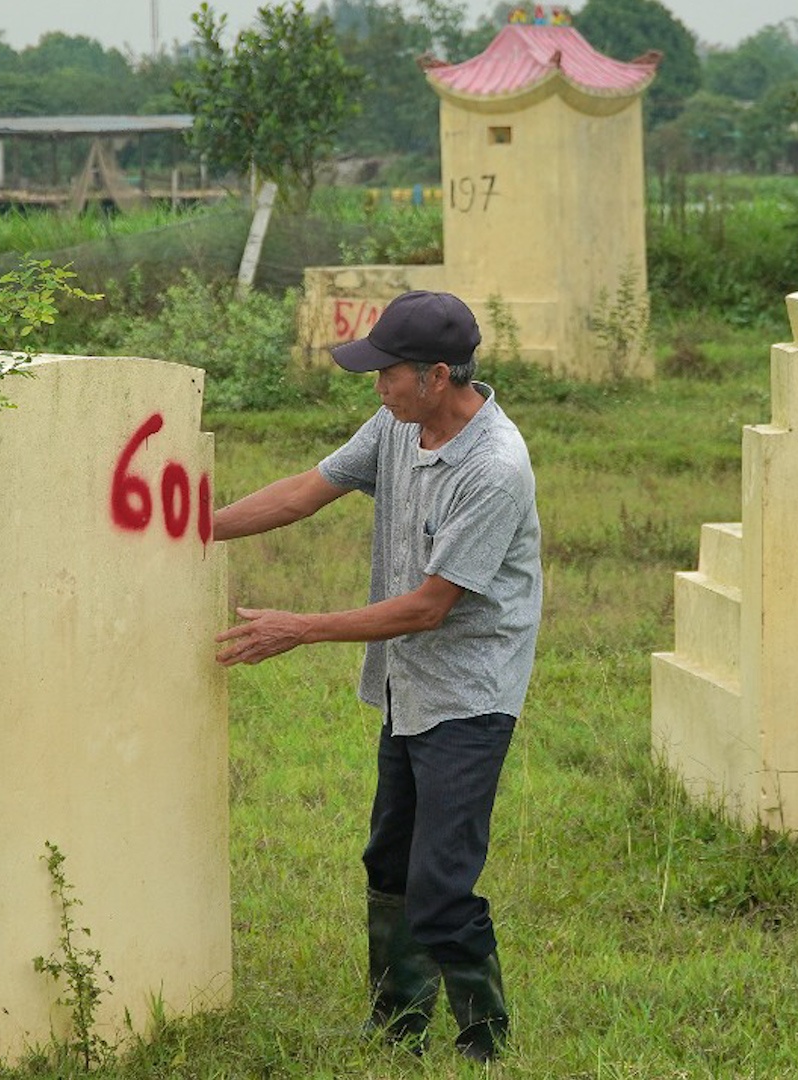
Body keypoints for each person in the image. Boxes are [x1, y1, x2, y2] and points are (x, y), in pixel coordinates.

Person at [212, 290, 542, 1062]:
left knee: (441, 881)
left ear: (434, 375)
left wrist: (300, 629)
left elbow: (430, 607)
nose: (376, 385)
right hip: (407, 687)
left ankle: (485, 1042)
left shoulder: (494, 468)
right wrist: (193, 526)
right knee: (389, 861)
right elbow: (306, 490)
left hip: (468, 691)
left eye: (386, 373)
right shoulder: (399, 426)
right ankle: (397, 1023)